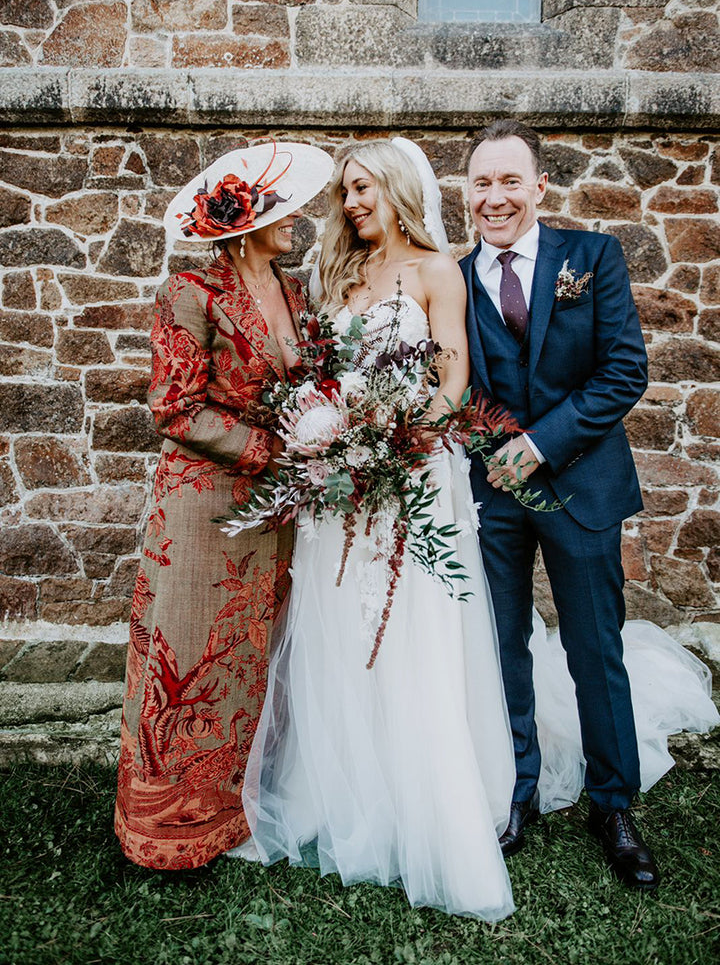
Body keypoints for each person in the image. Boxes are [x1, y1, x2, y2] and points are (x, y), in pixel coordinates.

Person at [242, 139, 518, 919]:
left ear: (397, 188)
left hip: (408, 475)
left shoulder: (438, 272)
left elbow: (454, 376)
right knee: (340, 631)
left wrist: (396, 440)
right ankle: (341, 792)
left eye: (361, 188)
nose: (351, 203)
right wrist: (332, 434)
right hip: (340, 483)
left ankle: (423, 797)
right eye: (345, 192)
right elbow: (319, 375)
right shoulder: (340, 274)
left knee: (412, 634)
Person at [458, 118, 717, 887]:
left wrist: (537, 445)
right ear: (464, 192)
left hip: (580, 487)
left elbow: (622, 371)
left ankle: (613, 804)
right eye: (481, 182)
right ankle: (518, 789)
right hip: (494, 496)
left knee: (594, 652)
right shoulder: (455, 275)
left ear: (540, 186)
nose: (495, 196)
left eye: (510, 180)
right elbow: (455, 384)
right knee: (499, 648)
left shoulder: (592, 258)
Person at [114, 141, 334, 869]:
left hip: (272, 511)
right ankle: (166, 822)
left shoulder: (296, 293)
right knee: (185, 656)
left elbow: (308, 381)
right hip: (199, 507)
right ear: (248, 223)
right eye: (283, 211)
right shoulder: (190, 291)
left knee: (245, 658)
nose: (296, 219)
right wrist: (271, 448)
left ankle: (231, 804)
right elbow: (174, 406)